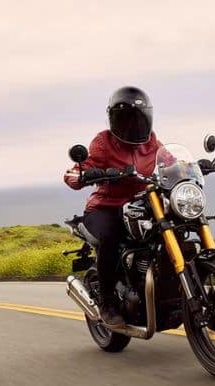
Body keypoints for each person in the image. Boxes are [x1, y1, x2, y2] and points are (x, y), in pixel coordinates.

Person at [64, 86, 161, 328]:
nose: (132, 124)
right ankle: (107, 302)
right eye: (126, 118)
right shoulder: (103, 142)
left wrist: (189, 165)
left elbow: (167, 160)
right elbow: (77, 171)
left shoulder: (151, 142)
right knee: (110, 237)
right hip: (106, 207)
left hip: (143, 205)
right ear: (113, 119)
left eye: (137, 118)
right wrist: (83, 175)